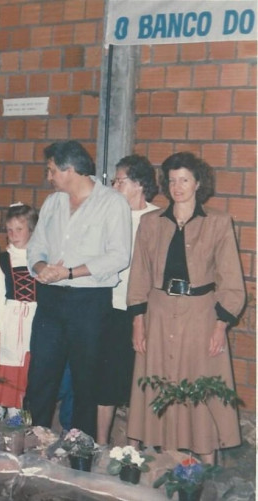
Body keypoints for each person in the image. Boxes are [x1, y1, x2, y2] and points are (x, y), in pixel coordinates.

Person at [127, 152, 244, 464]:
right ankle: (165, 460)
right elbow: (139, 274)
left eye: (184, 180)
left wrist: (220, 325)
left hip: (200, 315)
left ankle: (206, 465)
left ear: (197, 183)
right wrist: (139, 321)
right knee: (159, 380)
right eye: (172, 180)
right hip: (159, 313)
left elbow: (231, 281)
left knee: (198, 383)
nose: (177, 186)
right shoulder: (150, 223)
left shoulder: (218, 222)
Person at [25, 140, 131, 438]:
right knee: (40, 376)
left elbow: (119, 256)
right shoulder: (52, 203)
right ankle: (31, 439)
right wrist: (41, 267)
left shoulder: (112, 203)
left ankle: (79, 450)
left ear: (69, 170)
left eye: (51, 171)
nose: (49, 177)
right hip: (50, 299)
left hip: (89, 302)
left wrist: (70, 272)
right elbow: (35, 247)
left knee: (86, 380)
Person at [95, 155, 159, 445]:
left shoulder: (157, 219)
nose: (114, 185)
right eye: (114, 180)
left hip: (143, 313)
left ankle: (132, 450)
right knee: (106, 379)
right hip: (110, 307)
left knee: (138, 382)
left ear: (139, 185)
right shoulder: (109, 213)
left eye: (120, 181)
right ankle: (100, 443)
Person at [0, 203, 38, 419]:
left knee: (26, 366)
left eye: (19, 229)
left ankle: (19, 416)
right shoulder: (2, 260)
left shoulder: (39, 259)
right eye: (9, 230)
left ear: (31, 230)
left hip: (33, 319)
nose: (13, 235)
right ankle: (0, 412)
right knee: (7, 364)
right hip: (10, 320)